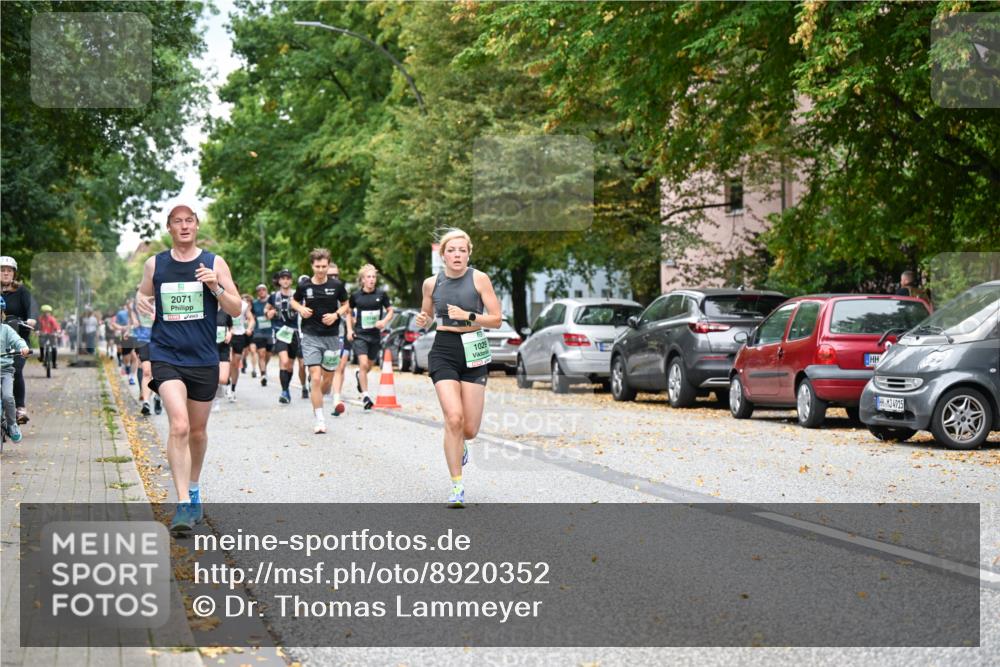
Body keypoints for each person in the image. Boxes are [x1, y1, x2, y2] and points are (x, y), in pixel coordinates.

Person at [135, 204, 242, 535]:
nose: (183, 226)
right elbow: (142, 295)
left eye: (189, 220)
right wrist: (140, 304)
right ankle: (182, 504)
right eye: (177, 221)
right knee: (178, 425)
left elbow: (236, 309)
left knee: (197, 432)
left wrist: (216, 287)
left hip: (203, 358)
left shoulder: (213, 263)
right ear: (169, 228)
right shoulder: (156, 264)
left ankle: (193, 488)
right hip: (166, 355)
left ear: (196, 226)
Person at [414, 229, 502, 507]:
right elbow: (427, 315)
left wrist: (469, 315)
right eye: (451, 250)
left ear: (469, 253)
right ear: (443, 254)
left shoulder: (479, 278)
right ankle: (457, 486)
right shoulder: (431, 283)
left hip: (474, 347)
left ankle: (460, 442)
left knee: (470, 428)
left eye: (462, 250)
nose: (457, 255)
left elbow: (497, 319)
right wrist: (422, 319)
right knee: (453, 418)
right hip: (444, 349)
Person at [291, 249, 351, 434]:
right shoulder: (304, 286)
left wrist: (336, 315)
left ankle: (319, 394)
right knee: (315, 377)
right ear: (312, 266)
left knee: (328, 378)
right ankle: (320, 419)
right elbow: (293, 301)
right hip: (310, 336)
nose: (321, 270)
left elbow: (347, 304)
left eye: (324, 266)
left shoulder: (337, 285)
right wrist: (301, 308)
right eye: (317, 266)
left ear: (328, 265)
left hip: (332, 336)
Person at [349, 264, 394, 410]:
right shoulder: (356, 296)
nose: (372, 280)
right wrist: (349, 329)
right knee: (363, 364)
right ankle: (366, 396)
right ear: (362, 280)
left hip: (375, 336)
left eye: (374, 277)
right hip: (360, 335)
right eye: (368, 277)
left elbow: (390, 311)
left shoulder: (381, 295)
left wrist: (384, 321)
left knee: (368, 366)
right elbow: (348, 312)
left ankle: (359, 377)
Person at [0, 256, 37, 425]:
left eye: (9, 270)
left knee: (16, 369)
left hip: (17, 340)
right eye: (2, 270)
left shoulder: (21, 291)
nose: (5, 273)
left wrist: (31, 319)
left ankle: (20, 408)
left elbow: (32, 308)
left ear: (14, 273)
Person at [267, 269, 301, 404]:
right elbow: (267, 309)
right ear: (279, 281)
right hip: (280, 331)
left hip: (294, 333)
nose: (285, 280)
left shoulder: (297, 296)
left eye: (288, 278)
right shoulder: (274, 296)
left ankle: (286, 390)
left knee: (290, 366)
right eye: (283, 278)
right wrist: (268, 313)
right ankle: (284, 391)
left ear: (291, 280)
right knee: (284, 361)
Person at [1, 296, 31, 442]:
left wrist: (23, 348)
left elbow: (17, 340)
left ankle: (12, 424)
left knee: (7, 397)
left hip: (5, 370)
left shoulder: (6, 329)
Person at [131, 290, 160, 416]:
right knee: (147, 371)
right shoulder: (139, 302)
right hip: (143, 340)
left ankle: (158, 397)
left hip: (160, 340)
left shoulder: (162, 300)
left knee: (160, 372)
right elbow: (133, 314)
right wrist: (134, 321)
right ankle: (146, 403)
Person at [327, 264, 351, 416]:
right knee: (326, 371)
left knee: (339, 367)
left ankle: (336, 400)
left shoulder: (342, 291)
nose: (334, 278)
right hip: (321, 335)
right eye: (331, 276)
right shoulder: (316, 290)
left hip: (340, 333)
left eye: (336, 275)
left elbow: (348, 311)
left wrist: (350, 329)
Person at [226, 285, 252, 402]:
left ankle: (233, 388)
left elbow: (251, 319)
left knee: (235, 363)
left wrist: (250, 328)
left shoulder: (243, 305)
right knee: (229, 360)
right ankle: (225, 383)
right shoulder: (221, 302)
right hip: (226, 335)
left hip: (239, 335)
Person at [250, 284, 272, 385]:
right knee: (261, 354)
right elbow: (251, 317)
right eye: (259, 290)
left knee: (268, 354)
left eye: (263, 290)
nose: (261, 291)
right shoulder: (254, 303)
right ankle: (263, 374)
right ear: (257, 292)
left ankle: (264, 368)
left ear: (266, 291)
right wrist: (250, 327)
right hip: (258, 332)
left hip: (270, 332)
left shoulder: (271, 302)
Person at [212, 307, 233, 412]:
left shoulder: (225, 310)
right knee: (212, 376)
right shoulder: (206, 308)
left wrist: (229, 333)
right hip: (209, 348)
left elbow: (230, 326)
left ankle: (216, 398)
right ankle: (214, 401)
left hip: (223, 346)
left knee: (223, 379)